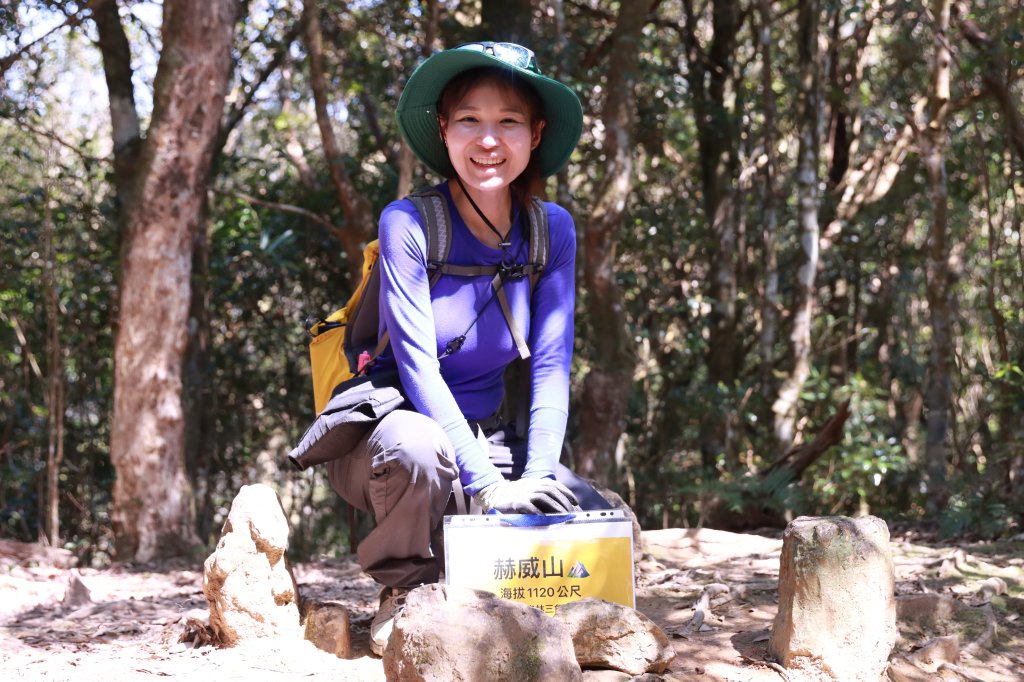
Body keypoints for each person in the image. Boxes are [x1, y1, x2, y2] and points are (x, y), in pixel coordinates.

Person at [325, 41, 611, 656]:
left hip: (485, 441)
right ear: (443, 131)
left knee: (584, 509)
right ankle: (405, 593)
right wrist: (489, 486)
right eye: (470, 121)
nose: (489, 140)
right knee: (419, 448)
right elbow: (419, 368)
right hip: (391, 442)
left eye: (508, 122)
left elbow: (553, 362)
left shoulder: (550, 229)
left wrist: (532, 477)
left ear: (535, 135)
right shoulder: (408, 222)